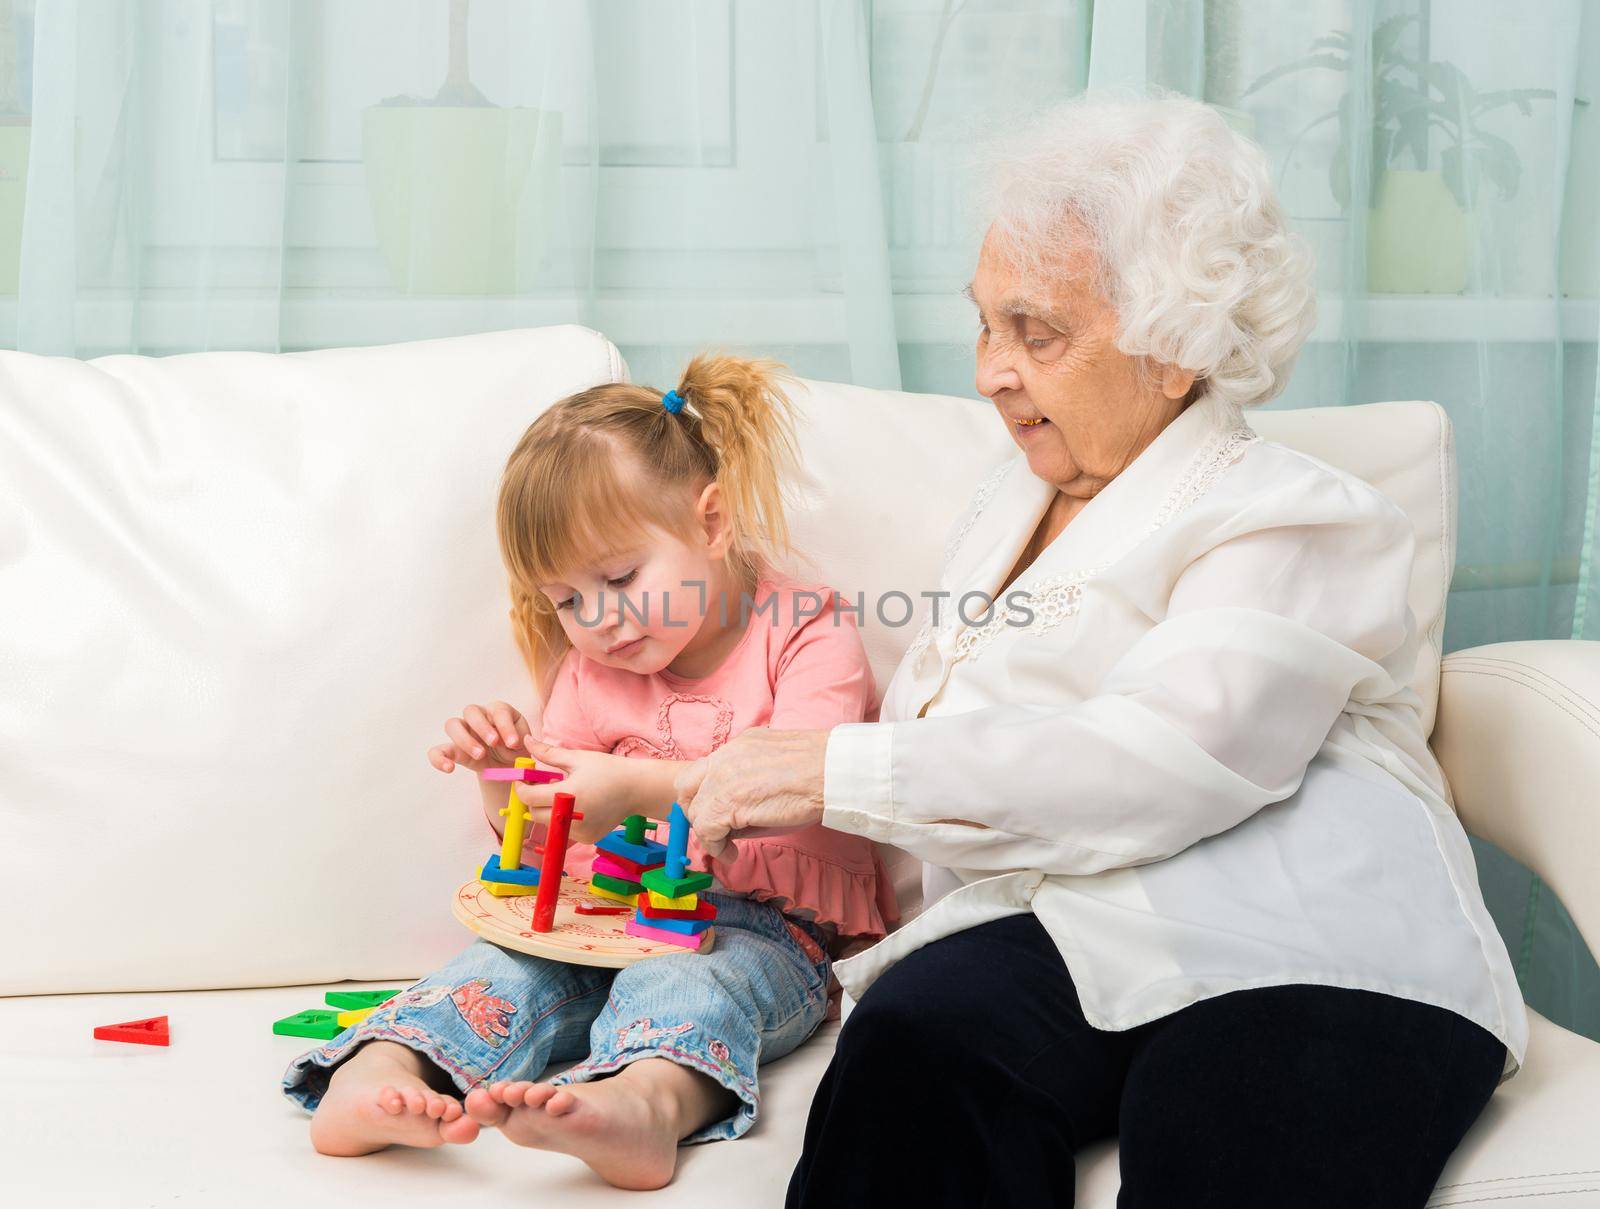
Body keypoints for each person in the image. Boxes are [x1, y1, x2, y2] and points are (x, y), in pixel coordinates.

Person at [674, 94, 1529, 1208]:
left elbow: (1168, 756)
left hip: (1302, 940)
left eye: (1037, 332)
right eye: (985, 323)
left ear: (1176, 352)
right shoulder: (1006, 501)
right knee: (912, 1052)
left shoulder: (1299, 516)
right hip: (1063, 923)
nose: (990, 370)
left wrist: (831, 768)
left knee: (1234, 1144)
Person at [281, 353, 898, 1191]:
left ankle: (640, 1103)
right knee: (501, 967)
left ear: (710, 523)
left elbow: (802, 781)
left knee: (690, 981)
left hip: (761, 925)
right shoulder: (592, 671)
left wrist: (636, 789)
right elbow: (541, 846)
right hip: (598, 914)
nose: (598, 621)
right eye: (566, 600)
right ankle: (381, 1070)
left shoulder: (802, 630)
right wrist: (505, 777)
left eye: (617, 578)